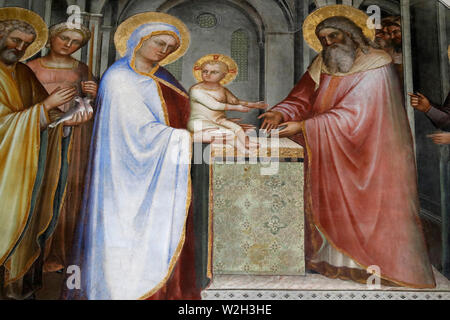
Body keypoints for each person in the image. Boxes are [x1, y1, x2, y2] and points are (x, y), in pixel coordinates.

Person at [259, 5, 436, 288]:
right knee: (330, 205)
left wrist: (304, 127)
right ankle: (331, 261)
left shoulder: (376, 62)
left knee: (368, 210)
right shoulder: (321, 63)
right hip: (331, 151)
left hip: (370, 152)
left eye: (334, 36)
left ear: (351, 34)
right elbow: (301, 98)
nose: (328, 43)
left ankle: (377, 265)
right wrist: (279, 113)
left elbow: (358, 113)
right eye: (323, 39)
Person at [63, 12, 227, 300]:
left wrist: (217, 124)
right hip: (125, 176)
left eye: (170, 48)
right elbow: (137, 133)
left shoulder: (163, 77)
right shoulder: (119, 78)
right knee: (126, 235)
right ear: (139, 40)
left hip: (162, 170)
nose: (163, 51)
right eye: (159, 43)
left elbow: (187, 114)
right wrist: (187, 138)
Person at [0, 7, 79, 299]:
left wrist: (64, 118)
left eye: (24, 44)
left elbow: (42, 115)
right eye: (15, 41)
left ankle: (15, 287)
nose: (19, 49)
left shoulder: (23, 72)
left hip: (25, 166)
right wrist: (45, 108)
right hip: (3, 170)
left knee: (27, 219)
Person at [27, 22, 97, 273]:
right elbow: (24, 104)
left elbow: (85, 102)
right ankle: (33, 253)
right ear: (50, 39)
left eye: (75, 42)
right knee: (39, 188)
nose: (68, 44)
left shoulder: (82, 68)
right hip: (40, 135)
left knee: (67, 188)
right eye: (64, 38)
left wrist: (92, 95)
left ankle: (60, 251)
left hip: (73, 137)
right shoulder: (30, 67)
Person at [188, 54, 265, 150]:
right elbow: (215, 105)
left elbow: (235, 101)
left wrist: (253, 105)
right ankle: (242, 148)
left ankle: (246, 143)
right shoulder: (196, 90)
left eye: (214, 72)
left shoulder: (222, 89)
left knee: (237, 128)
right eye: (205, 71)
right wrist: (237, 108)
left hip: (219, 120)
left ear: (223, 75)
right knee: (227, 133)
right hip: (200, 121)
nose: (208, 74)